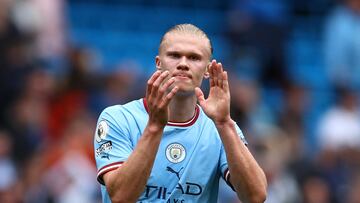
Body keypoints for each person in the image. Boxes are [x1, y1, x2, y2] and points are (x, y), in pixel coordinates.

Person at [94, 24, 267, 203]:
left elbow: (255, 196)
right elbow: (121, 197)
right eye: (174, 55)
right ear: (158, 63)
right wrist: (155, 126)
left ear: (207, 70)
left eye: (194, 57)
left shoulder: (220, 128)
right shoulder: (118, 119)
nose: (183, 64)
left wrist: (224, 123)